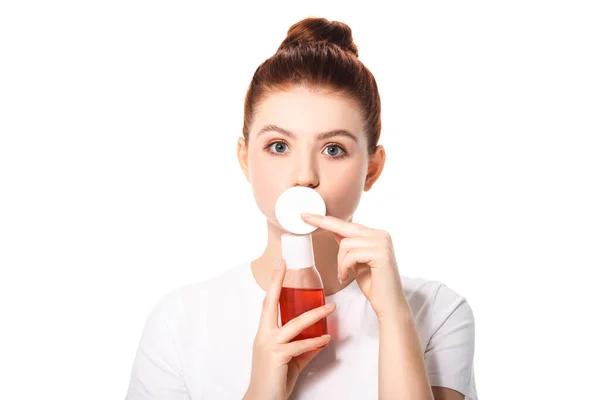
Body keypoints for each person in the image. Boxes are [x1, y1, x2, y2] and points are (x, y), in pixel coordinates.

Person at [125, 17, 478, 400]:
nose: (304, 176)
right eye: (278, 146)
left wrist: (394, 320)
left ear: (371, 169)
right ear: (246, 159)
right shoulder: (180, 322)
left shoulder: (438, 313)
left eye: (333, 149)